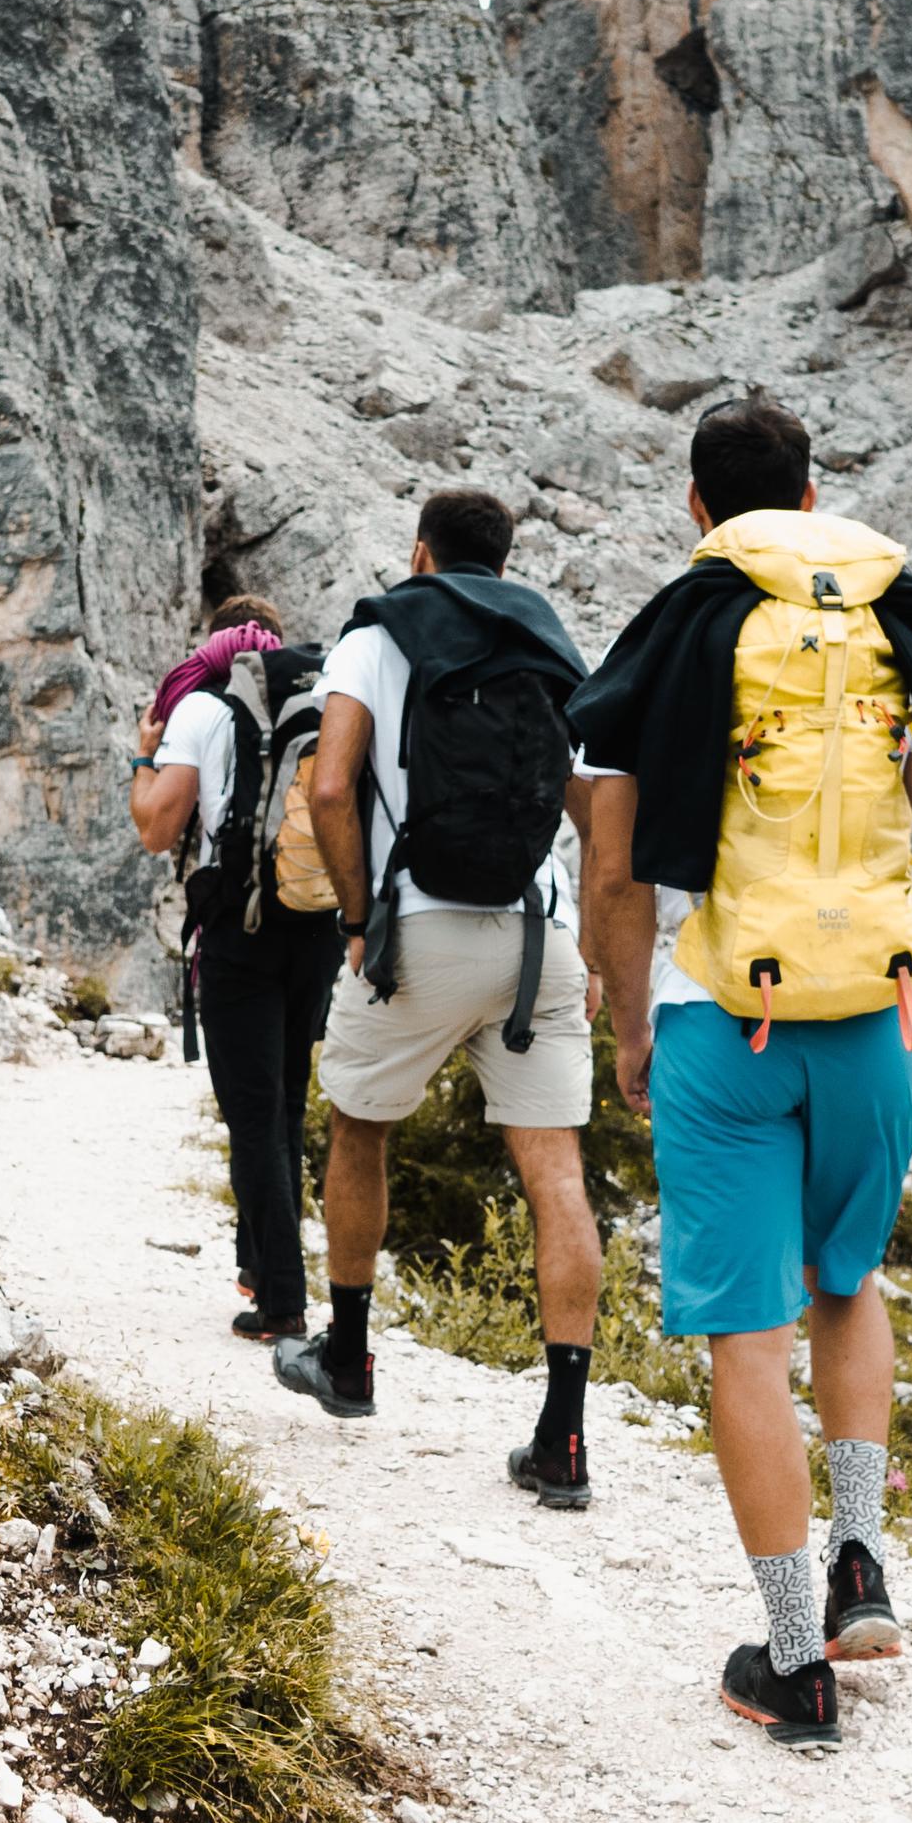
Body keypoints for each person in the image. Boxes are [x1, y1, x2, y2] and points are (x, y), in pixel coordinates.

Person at [571, 399, 912, 1748]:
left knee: (747, 1338)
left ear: (697, 512)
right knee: (849, 1280)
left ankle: (790, 1658)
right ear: (815, 495)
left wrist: (632, 1022)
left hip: (722, 1017)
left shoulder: (684, 624)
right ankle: (862, 1558)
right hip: (880, 1012)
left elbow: (616, 866)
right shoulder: (893, 621)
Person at [278, 488, 607, 1512]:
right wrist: (591, 949)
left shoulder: (383, 632)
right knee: (556, 1174)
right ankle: (563, 1436)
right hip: (536, 936)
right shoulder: (552, 645)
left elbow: (331, 789)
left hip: (416, 931)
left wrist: (359, 919)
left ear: (421, 554)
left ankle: (352, 1358)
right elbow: (601, 813)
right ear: (503, 564)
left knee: (359, 1125)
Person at [133, 594, 343, 1345]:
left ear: (217, 644)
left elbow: (158, 827)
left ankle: (283, 1303)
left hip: (238, 926)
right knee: (285, 1101)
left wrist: (142, 755)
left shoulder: (202, 708)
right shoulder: (322, 698)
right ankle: (258, 1266)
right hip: (317, 919)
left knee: (250, 1112)